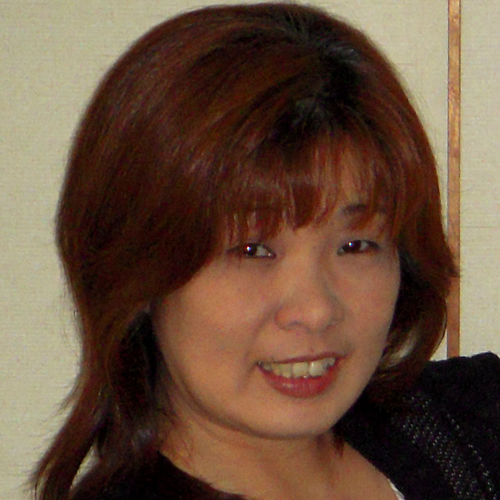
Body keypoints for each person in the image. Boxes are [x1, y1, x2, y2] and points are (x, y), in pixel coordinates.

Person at [32, 3, 500, 499]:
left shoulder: (472, 426)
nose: (315, 310)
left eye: (355, 245)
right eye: (252, 250)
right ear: (139, 272)